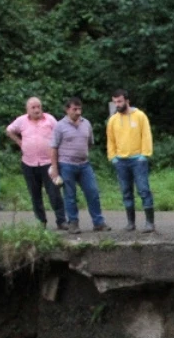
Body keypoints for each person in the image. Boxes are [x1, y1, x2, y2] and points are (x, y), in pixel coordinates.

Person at [49, 97, 110, 234]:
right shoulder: (59, 126)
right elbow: (53, 148)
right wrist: (55, 169)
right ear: (67, 110)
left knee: (93, 192)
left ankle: (98, 222)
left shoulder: (86, 123)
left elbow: (89, 142)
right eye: (74, 109)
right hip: (66, 165)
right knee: (70, 195)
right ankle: (73, 223)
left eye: (79, 109)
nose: (78, 112)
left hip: (84, 164)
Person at [7, 97, 66, 230]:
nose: (37, 110)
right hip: (29, 164)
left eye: (38, 107)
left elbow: (59, 135)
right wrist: (19, 142)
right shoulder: (21, 121)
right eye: (33, 107)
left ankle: (61, 221)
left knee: (54, 193)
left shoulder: (50, 119)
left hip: (48, 163)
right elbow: (9, 130)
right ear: (27, 110)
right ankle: (41, 222)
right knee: (35, 194)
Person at [106, 89, 155, 232]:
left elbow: (146, 135)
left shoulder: (140, 116)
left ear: (127, 101)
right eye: (115, 102)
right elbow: (110, 140)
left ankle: (150, 223)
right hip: (121, 161)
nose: (117, 104)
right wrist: (113, 157)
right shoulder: (113, 120)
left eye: (120, 101)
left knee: (144, 190)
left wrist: (144, 155)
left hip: (137, 160)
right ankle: (130, 223)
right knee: (126, 192)